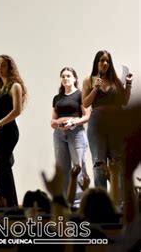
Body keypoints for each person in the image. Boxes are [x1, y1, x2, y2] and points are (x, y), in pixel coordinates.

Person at [82, 50, 133, 190]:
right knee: (99, 162)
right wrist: (95, 89)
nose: (105, 63)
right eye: (101, 60)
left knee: (117, 162)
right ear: (96, 63)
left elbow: (124, 101)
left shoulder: (115, 81)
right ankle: (102, 200)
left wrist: (128, 84)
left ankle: (120, 202)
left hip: (115, 124)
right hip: (97, 124)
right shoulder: (89, 80)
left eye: (107, 61)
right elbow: (85, 103)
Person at [0, 55, 27, 207]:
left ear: (9, 68)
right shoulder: (0, 89)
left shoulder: (15, 86)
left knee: (4, 166)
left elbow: (17, 110)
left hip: (8, 131)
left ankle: (10, 204)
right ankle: (3, 201)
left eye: (2, 65)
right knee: (1, 167)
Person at [51, 67, 90, 206]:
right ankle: (66, 201)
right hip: (59, 134)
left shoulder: (80, 95)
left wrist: (73, 121)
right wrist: (58, 124)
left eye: (68, 76)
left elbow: (86, 116)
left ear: (74, 78)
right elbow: (52, 121)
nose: (65, 78)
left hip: (76, 132)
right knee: (62, 168)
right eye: (63, 76)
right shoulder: (57, 98)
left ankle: (79, 203)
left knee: (78, 167)